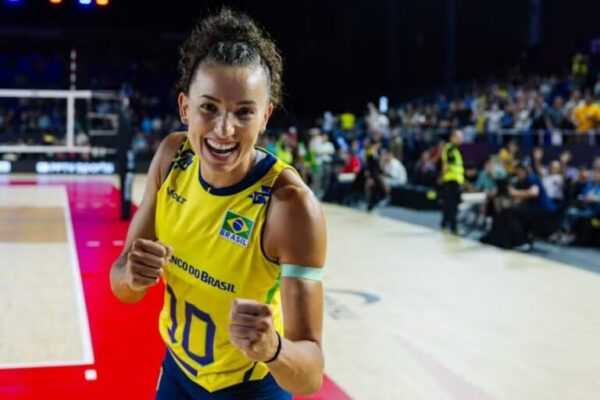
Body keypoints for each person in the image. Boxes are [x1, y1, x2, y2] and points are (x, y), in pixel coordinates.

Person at [109, 8, 326, 399]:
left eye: (244, 112)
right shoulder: (172, 157)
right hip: (176, 374)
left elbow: (309, 376)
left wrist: (273, 348)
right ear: (185, 107)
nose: (224, 130)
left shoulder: (291, 207)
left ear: (265, 116)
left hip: (251, 387)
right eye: (208, 107)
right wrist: (131, 275)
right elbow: (123, 286)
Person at [440, 130, 465, 233]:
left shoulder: (454, 149)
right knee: (452, 205)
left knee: (448, 204)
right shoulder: (450, 149)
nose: (461, 139)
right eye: (459, 137)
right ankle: (454, 227)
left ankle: (445, 223)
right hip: (452, 180)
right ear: (452, 138)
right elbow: (447, 166)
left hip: (454, 180)